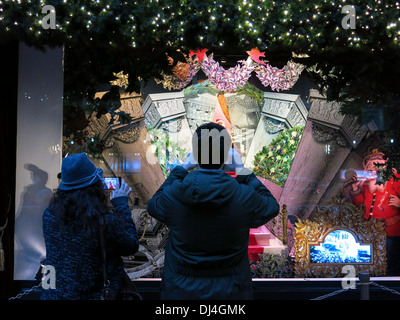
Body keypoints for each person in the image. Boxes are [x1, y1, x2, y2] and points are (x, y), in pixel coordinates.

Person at [147, 122, 280, 300]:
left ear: (195, 155)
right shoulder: (243, 196)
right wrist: (241, 170)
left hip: (181, 292)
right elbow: (272, 206)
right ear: (226, 157)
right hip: (232, 293)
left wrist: (181, 169)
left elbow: (153, 204)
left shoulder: (175, 194)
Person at [40, 153, 139, 300]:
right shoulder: (103, 221)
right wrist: (121, 205)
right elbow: (130, 245)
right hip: (95, 295)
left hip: (54, 295)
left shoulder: (49, 215)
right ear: (95, 187)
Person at [348, 149, 400, 275]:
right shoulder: (366, 184)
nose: (375, 172)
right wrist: (355, 191)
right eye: (371, 170)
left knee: (389, 265)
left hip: (390, 231)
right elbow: (359, 205)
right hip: (369, 231)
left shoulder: (396, 180)